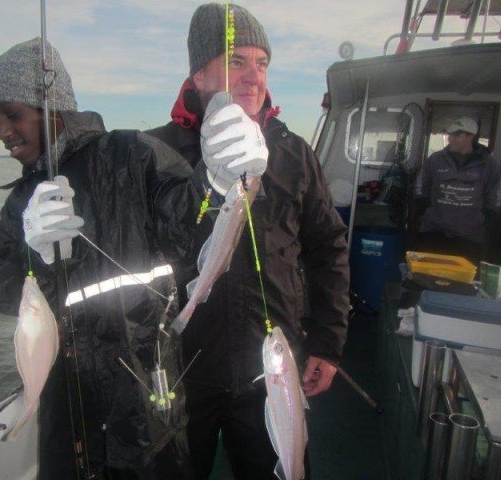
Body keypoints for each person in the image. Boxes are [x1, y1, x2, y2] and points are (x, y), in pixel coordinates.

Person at [0, 38, 264, 480]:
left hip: (147, 413)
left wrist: (219, 183)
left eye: (12, 115)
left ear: (53, 106)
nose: (3, 132)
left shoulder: (135, 154)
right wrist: (34, 259)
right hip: (66, 417)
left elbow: (188, 231)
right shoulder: (21, 202)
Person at [146, 4, 350, 479]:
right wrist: (207, 180)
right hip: (182, 368)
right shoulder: (155, 151)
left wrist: (326, 341)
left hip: (272, 365)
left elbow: (328, 250)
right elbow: (152, 246)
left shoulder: (294, 152)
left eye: (262, 63)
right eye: (236, 60)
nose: (253, 76)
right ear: (198, 74)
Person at [413, 116, 501, 264]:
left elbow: (495, 195)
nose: (450, 139)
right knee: (428, 275)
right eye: (450, 134)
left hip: (469, 236)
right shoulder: (435, 159)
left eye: (457, 135)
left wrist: (483, 217)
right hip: (434, 230)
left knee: (463, 280)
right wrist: (425, 208)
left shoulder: (489, 164)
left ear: (471, 137)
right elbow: (420, 185)